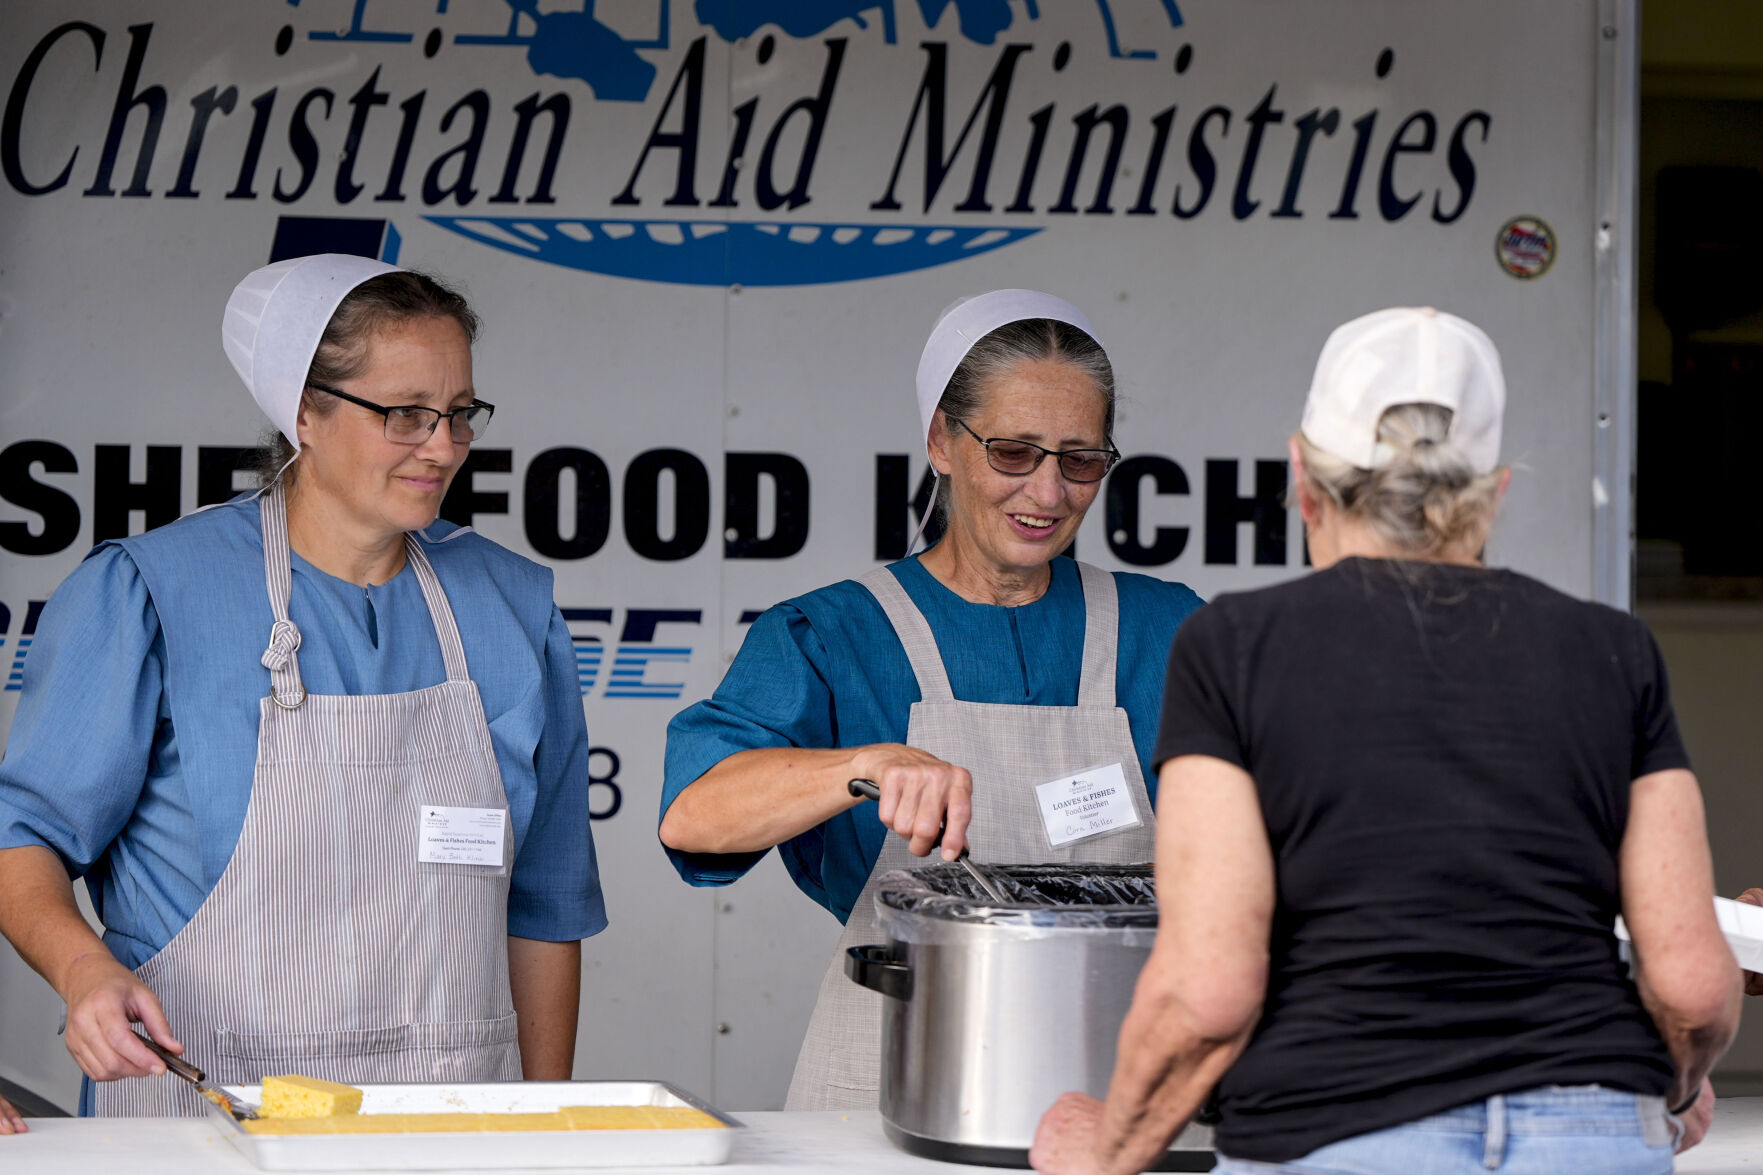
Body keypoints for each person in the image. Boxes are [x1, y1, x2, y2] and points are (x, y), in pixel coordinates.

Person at [1031, 307, 1742, 1174]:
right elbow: (1695, 988)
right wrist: (1660, 1093)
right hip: (1587, 1136)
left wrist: (1106, 1148)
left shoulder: (1236, 648)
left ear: (1302, 477)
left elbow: (1207, 992)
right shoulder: (1612, 651)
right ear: (1495, 491)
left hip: (1334, 1130)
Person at [0, 254, 606, 1116]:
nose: (443, 446)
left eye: (459, 413)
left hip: (450, 1129)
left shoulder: (512, 606)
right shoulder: (154, 593)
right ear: (303, 413)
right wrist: (82, 965)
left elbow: (545, 908)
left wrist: (548, 1128)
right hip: (203, 1120)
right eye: (405, 414)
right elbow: (21, 837)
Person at [658, 289, 1205, 1111]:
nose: (1048, 493)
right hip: (895, 1064)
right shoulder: (833, 631)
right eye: (1014, 452)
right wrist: (863, 764)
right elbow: (695, 815)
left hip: (1118, 1080)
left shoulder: (1166, 630)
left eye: (1080, 459)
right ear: (942, 441)